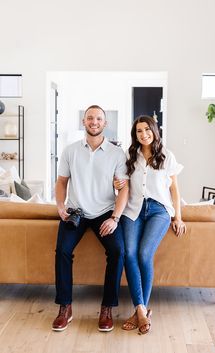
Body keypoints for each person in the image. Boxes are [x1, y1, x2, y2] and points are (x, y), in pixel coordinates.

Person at [52, 105, 129, 332]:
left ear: (105, 123)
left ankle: (107, 308)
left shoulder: (117, 154)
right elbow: (61, 182)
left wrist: (115, 218)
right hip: (76, 211)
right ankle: (65, 307)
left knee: (117, 251)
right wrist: (60, 205)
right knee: (62, 251)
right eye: (89, 118)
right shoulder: (70, 150)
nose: (94, 122)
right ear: (83, 122)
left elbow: (124, 188)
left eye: (98, 119)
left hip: (105, 212)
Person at [114, 115, 186, 335]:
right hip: (133, 211)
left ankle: (140, 312)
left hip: (158, 211)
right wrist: (116, 184)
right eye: (139, 131)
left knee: (145, 254)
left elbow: (174, 190)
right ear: (134, 134)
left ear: (154, 130)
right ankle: (142, 311)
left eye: (147, 129)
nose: (143, 134)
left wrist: (178, 217)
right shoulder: (129, 156)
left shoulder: (166, 155)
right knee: (129, 253)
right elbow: (122, 186)